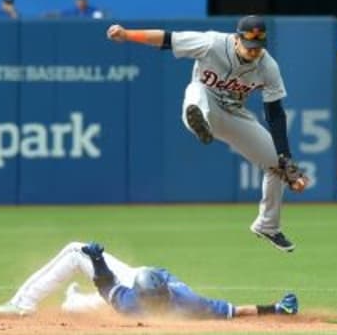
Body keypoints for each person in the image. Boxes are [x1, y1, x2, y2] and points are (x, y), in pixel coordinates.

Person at [106, 16, 310, 253]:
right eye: (249, 46)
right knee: (197, 90)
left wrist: (286, 158)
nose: (254, 52)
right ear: (236, 39)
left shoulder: (268, 67)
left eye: (259, 47)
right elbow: (167, 39)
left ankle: (267, 225)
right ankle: (197, 123)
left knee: (277, 164)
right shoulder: (212, 42)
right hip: (205, 105)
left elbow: (275, 113)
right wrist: (127, 34)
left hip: (235, 116)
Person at [0, 241, 298, 320]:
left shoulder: (133, 301)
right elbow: (235, 312)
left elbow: (105, 284)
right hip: (138, 278)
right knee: (86, 289)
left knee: (75, 257)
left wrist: (96, 259)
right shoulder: (183, 302)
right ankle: (42, 302)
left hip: (131, 283)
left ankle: (24, 304)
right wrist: (276, 309)